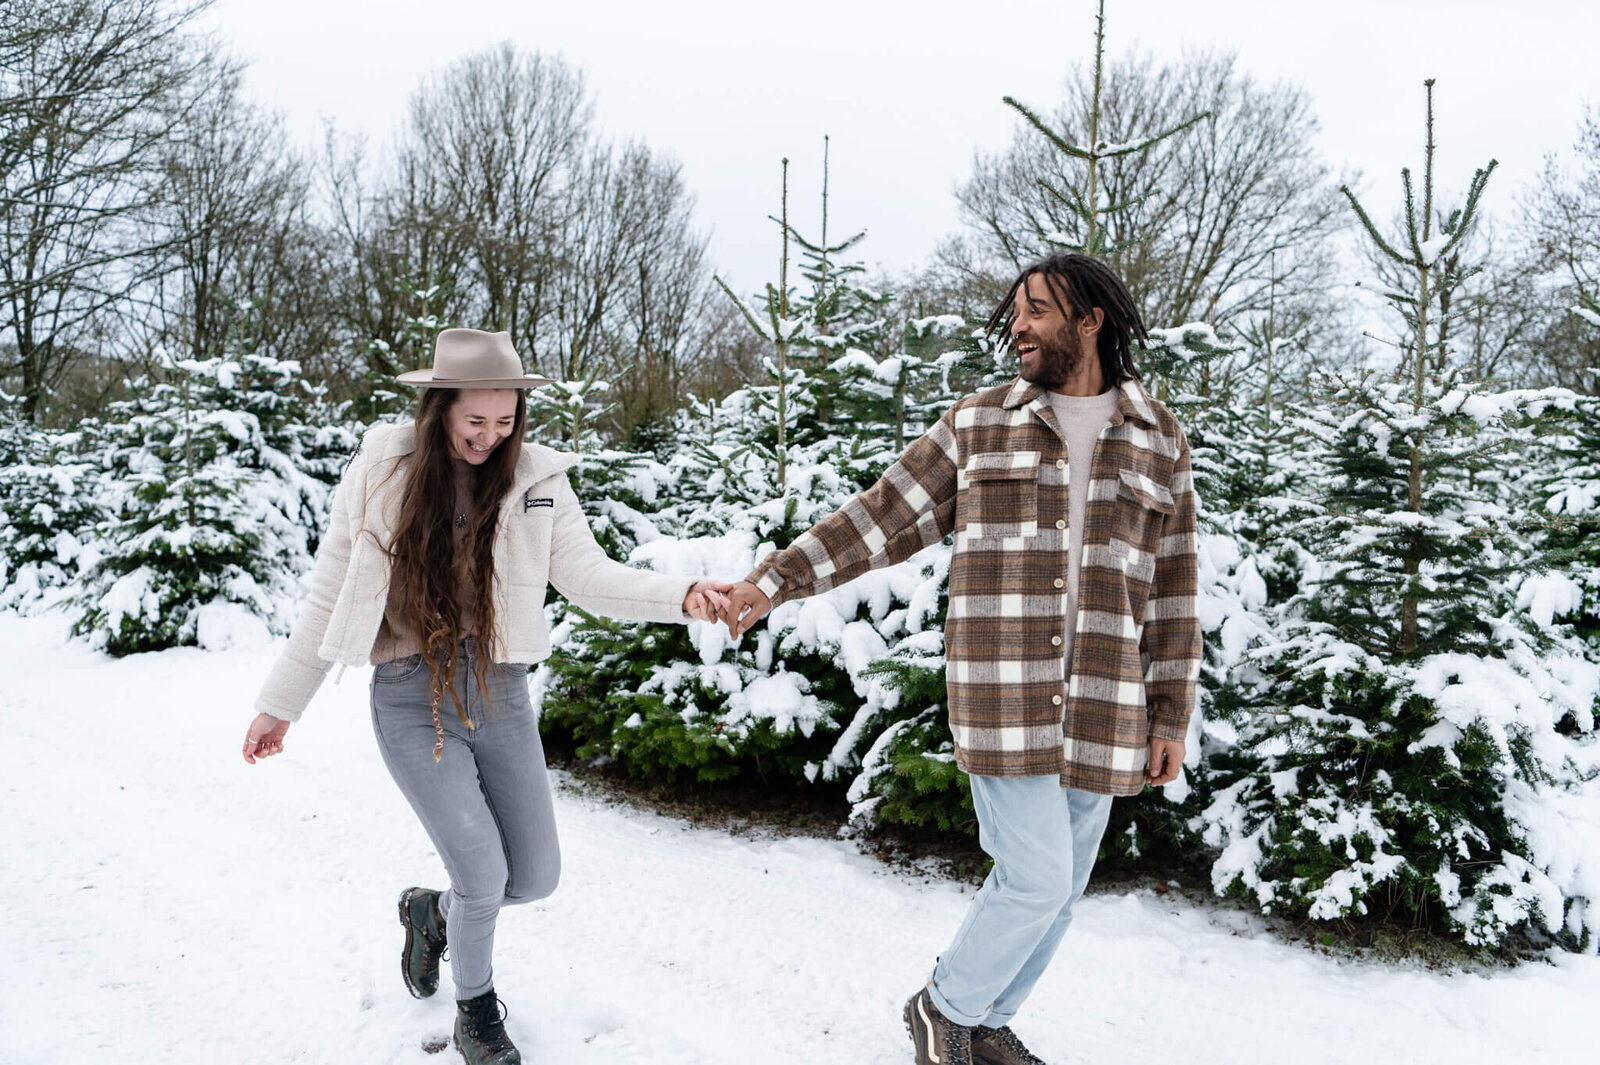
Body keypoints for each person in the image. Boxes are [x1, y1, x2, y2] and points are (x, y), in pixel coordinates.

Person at [718, 252, 1201, 1065]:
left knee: (1062, 893)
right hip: (1002, 689)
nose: (1018, 325)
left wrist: (1170, 715)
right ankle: (944, 1006)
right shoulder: (980, 422)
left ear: (1090, 322)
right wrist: (776, 581)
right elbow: (882, 516)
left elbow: (1175, 585)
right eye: (1016, 311)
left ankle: (980, 1023)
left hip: (1108, 699)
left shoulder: (1159, 436)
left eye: (1038, 310)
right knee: (1037, 877)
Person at [241, 328, 730, 1065]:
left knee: (533, 876)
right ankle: (477, 1012)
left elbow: (591, 577)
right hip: (412, 696)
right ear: (439, 408)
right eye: (475, 421)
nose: (489, 437)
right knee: (483, 871)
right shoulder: (382, 470)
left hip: (500, 689)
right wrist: (281, 705)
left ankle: (428, 913)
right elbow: (328, 596)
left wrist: (683, 594)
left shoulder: (535, 478)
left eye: (505, 422)